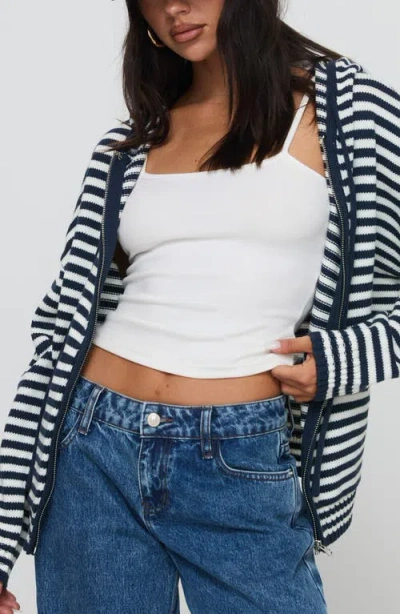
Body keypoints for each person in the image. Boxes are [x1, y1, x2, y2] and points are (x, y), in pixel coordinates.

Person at [2, 1, 400, 612]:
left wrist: (345, 357)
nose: (174, 7)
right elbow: (58, 338)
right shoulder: (130, 144)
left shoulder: (350, 113)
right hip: (91, 447)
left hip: (239, 452)